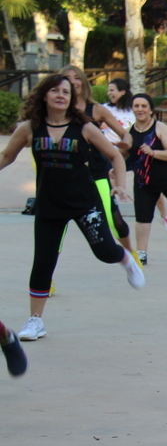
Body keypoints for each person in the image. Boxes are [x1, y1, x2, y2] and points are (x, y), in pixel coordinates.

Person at [0, 74, 145, 341]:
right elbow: (6, 157)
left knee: (104, 252)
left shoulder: (85, 128)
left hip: (83, 203)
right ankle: (35, 321)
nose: (60, 95)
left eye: (65, 92)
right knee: (43, 262)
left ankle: (126, 258)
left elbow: (115, 155)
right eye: (54, 90)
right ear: (44, 95)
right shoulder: (29, 128)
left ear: (71, 98)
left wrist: (121, 185)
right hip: (49, 205)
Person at [59, 66, 136, 256]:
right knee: (56, 226)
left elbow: (125, 134)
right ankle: (46, 280)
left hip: (96, 172)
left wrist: (125, 143)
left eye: (76, 78)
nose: (72, 81)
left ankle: (130, 257)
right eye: (67, 78)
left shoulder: (97, 110)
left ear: (83, 82)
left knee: (112, 219)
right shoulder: (56, 110)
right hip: (65, 174)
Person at [104, 78, 167, 231]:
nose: (109, 93)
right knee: (112, 175)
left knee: (151, 184)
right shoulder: (106, 109)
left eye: (112, 90)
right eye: (108, 90)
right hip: (116, 152)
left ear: (122, 92)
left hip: (137, 151)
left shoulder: (133, 111)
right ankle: (117, 204)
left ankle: (164, 216)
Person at [126, 94, 167, 266]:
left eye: (144, 106)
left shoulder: (159, 128)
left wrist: (154, 153)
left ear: (151, 109)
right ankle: (141, 254)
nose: (140, 109)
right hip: (143, 182)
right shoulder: (131, 132)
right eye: (136, 106)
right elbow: (131, 157)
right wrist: (116, 168)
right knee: (142, 218)